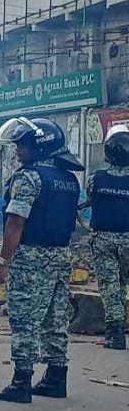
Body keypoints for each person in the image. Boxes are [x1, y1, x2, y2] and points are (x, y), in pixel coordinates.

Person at [0, 117, 83, 403]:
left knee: (25, 319)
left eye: (23, 145)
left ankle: (21, 382)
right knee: (55, 318)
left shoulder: (29, 177)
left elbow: (16, 221)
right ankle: (56, 376)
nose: (18, 150)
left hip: (32, 257)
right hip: (61, 255)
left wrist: (3, 262)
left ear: (40, 146)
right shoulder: (68, 178)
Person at [87, 124, 129, 350]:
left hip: (103, 240)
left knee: (110, 286)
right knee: (121, 284)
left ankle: (115, 334)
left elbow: (91, 198)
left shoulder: (96, 178)